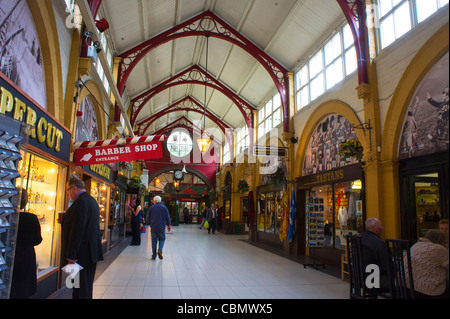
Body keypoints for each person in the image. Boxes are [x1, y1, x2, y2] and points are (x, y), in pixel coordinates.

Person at [61, 176, 103, 299]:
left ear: (74, 188)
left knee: (79, 288)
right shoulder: (91, 200)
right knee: (85, 285)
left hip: (81, 254)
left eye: (68, 190)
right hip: (90, 252)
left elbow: (78, 229)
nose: (68, 194)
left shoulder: (81, 202)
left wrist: (71, 255)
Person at [10, 188, 42, 299]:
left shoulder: (7, 217)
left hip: (8, 258)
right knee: (23, 292)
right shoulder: (31, 218)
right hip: (26, 259)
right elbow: (37, 240)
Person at [408, 230, 449, 299]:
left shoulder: (415, 245)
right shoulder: (438, 248)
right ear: (438, 240)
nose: (445, 245)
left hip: (407, 288)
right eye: (444, 242)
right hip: (427, 291)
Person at [359, 218, 389, 291]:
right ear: (375, 228)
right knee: (402, 282)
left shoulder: (359, 238)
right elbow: (386, 265)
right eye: (380, 226)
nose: (382, 228)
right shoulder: (378, 243)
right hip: (373, 281)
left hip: (359, 278)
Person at [148, 196, 171, 260]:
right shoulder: (164, 208)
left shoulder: (151, 208)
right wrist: (169, 224)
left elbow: (148, 217)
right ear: (160, 201)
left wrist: (148, 223)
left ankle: (154, 255)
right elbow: (167, 216)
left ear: (155, 201)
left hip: (154, 227)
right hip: (161, 227)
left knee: (154, 241)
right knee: (162, 239)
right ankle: (160, 250)